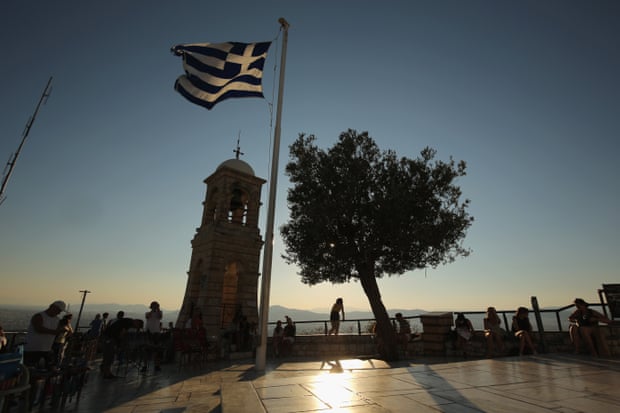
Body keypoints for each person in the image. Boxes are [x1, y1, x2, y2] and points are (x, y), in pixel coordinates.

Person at [23, 300, 66, 369]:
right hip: (32, 349)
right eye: (58, 310)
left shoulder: (57, 320)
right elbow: (39, 329)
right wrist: (55, 332)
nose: (59, 313)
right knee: (29, 370)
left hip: (46, 349)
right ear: (52, 307)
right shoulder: (39, 316)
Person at [144, 301, 163, 372]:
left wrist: (158, 310)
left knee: (157, 350)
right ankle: (145, 366)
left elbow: (160, 317)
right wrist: (152, 311)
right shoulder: (148, 313)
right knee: (147, 350)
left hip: (156, 333)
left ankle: (157, 365)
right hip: (149, 332)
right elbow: (147, 316)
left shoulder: (160, 313)